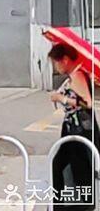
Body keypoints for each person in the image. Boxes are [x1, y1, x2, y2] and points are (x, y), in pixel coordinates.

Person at [48, 43, 100, 210]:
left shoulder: (77, 75)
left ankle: (79, 205)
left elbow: (87, 103)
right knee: (65, 166)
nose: (55, 67)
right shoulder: (73, 76)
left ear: (64, 60)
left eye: (56, 63)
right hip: (73, 129)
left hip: (80, 131)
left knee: (76, 167)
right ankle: (66, 205)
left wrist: (61, 98)